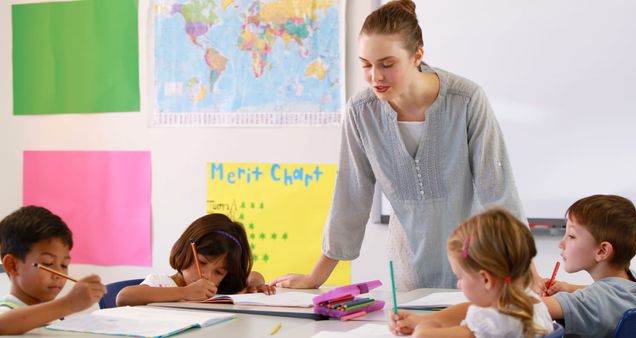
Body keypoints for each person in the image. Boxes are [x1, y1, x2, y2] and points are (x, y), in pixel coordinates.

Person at [271, 0, 525, 290]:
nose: (375, 77)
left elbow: (498, 189)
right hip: (407, 266)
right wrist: (315, 278)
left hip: (477, 262)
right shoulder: (361, 112)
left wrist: (525, 272)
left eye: (387, 65)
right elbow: (350, 196)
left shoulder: (466, 99)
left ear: (417, 55)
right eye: (366, 65)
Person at [390, 208, 553, 337]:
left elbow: (424, 336)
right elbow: (468, 309)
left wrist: (424, 327)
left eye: (460, 277)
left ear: (486, 279)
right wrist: (421, 319)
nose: (458, 284)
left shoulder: (494, 322)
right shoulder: (529, 303)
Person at [116, 213, 275, 306]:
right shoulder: (162, 283)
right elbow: (124, 297)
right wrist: (186, 292)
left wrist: (256, 283)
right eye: (202, 262)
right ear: (185, 251)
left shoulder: (214, 290)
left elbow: (253, 275)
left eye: (219, 272)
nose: (207, 275)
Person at [542, 194, 636, 338]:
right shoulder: (631, 283)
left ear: (602, 251)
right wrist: (568, 287)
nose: (561, 244)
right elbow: (610, 293)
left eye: (571, 236)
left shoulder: (590, 303)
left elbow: (531, 308)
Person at [0, 206, 106, 335]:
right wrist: (69, 304)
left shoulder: (54, 315)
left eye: (64, 265)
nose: (59, 274)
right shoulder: (7, 310)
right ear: (12, 265)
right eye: (47, 263)